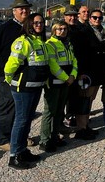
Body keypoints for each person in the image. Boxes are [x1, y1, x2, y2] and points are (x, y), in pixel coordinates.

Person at [0, 0, 32, 152]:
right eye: (21, 9)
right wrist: (1, 72)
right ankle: (3, 139)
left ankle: (18, 136)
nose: (24, 11)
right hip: (8, 76)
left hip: (25, 76)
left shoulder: (29, 28)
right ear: (14, 11)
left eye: (26, 8)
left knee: (21, 108)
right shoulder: (4, 29)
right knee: (7, 106)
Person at [4, 13, 49, 169]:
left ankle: (22, 150)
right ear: (29, 24)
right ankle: (14, 156)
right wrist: (9, 79)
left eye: (41, 23)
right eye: (36, 23)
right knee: (21, 120)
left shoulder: (40, 42)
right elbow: (11, 64)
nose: (39, 25)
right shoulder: (23, 42)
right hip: (23, 88)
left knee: (27, 119)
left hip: (35, 87)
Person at [39, 21, 77, 153]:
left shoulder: (68, 44)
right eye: (59, 29)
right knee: (49, 111)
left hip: (66, 84)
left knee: (59, 112)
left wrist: (73, 75)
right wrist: (67, 78)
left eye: (65, 29)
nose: (62, 31)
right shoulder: (50, 44)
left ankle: (54, 137)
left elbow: (74, 61)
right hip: (54, 83)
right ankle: (44, 140)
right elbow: (53, 65)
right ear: (54, 30)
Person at [74, 9, 105, 140]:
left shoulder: (101, 31)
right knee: (84, 99)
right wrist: (80, 72)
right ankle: (80, 128)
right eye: (94, 17)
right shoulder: (83, 30)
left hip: (98, 69)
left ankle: (86, 125)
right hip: (87, 70)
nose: (97, 20)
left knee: (90, 99)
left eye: (100, 18)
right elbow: (80, 51)